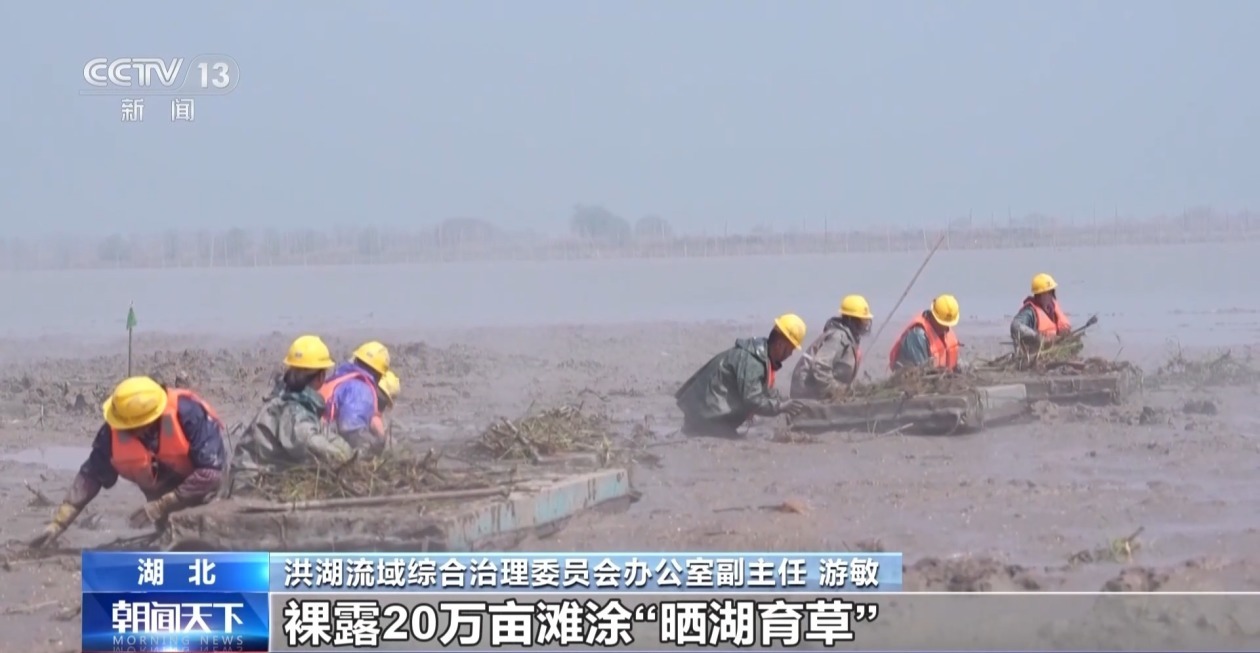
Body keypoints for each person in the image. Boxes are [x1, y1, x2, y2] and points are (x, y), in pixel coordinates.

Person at [28, 376, 228, 549]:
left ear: (150, 419)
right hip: (161, 497)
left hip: (206, 494)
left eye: (132, 427)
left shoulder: (188, 414)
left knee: (210, 537)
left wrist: (160, 505)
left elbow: (210, 474)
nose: (126, 431)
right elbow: (91, 475)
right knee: (169, 542)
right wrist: (59, 523)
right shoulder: (113, 432)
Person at [225, 335, 353, 497]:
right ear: (321, 377)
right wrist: (345, 459)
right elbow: (311, 444)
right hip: (250, 487)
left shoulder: (290, 400)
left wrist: (346, 450)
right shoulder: (291, 410)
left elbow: (323, 434)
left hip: (259, 480)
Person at [675, 314, 809, 438]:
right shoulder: (753, 362)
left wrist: (785, 400)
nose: (790, 355)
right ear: (780, 345)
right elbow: (752, 399)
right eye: (790, 349)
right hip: (707, 417)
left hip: (705, 412)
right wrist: (780, 407)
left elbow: (763, 391)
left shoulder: (759, 355)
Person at [791, 295, 873, 400]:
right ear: (852, 320)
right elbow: (820, 367)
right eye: (863, 320)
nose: (865, 324)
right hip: (808, 395)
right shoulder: (838, 337)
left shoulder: (848, 339)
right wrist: (839, 390)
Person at [322, 341, 391, 452]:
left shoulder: (342, 378)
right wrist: (375, 445)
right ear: (379, 374)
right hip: (326, 440)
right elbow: (351, 428)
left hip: (317, 432)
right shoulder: (359, 388)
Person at [889, 295, 962, 372]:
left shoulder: (947, 333)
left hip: (944, 379)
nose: (945, 327)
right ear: (933, 316)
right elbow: (920, 373)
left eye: (947, 324)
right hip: (914, 381)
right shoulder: (917, 336)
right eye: (941, 323)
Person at [1011, 272, 1071, 350]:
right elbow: (1015, 326)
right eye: (1049, 292)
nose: (1052, 296)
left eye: (1052, 292)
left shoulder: (1052, 308)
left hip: (1055, 349)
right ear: (1040, 294)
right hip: (1036, 353)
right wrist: (1037, 337)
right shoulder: (1030, 312)